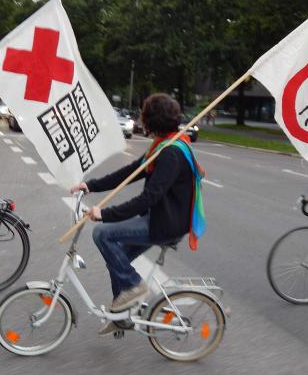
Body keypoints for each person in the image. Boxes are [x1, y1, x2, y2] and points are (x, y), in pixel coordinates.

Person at [70, 93, 206, 335]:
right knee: (117, 258)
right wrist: (91, 186)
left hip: (166, 224)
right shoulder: (164, 145)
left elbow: (148, 198)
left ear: (152, 120)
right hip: (161, 218)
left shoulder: (170, 152)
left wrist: (105, 214)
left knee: (102, 234)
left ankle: (134, 285)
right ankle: (122, 316)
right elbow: (130, 172)